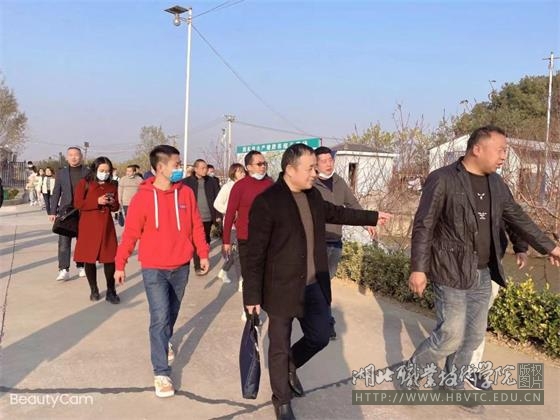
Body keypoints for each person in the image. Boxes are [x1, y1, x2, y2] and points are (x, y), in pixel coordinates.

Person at [406, 125, 560, 412]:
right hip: (450, 270)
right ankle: (412, 371)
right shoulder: (442, 179)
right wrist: (418, 268)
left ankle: (452, 385)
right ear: (477, 149)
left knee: (473, 336)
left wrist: (549, 247)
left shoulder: (497, 184)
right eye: (500, 150)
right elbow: (424, 225)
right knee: (451, 334)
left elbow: (517, 218)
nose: (504, 156)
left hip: (483, 272)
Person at [244, 144, 392, 420]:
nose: (315, 173)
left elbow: (338, 213)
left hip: (313, 284)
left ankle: (289, 365)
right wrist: (251, 296)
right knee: (278, 345)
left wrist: (371, 217)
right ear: (290, 169)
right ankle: (282, 400)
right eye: (310, 168)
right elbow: (254, 254)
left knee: (320, 336)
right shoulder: (267, 202)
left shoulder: (312, 196)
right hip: (281, 288)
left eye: (316, 167)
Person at [114, 145, 209, 398]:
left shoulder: (185, 193)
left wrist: (202, 253)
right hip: (154, 268)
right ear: (160, 167)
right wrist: (120, 264)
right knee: (159, 316)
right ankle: (161, 373)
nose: (180, 169)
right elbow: (130, 234)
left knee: (171, 314)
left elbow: (196, 225)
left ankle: (165, 340)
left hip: (181, 266)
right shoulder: (142, 198)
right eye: (176, 165)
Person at [313, 146, 376, 340]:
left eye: (330, 160)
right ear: (315, 164)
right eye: (324, 161)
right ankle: (326, 323)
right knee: (321, 284)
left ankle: (318, 316)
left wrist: (367, 221)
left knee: (324, 283)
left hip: (335, 242)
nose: (328, 164)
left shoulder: (339, 182)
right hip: (317, 243)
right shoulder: (311, 185)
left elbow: (353, 204)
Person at [73, 157, 121, 303]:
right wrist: (96, 201)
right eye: (102, 170)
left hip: (106, 227)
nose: (105, 173)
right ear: (95, 169)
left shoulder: (112, 185)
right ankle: (93, 289)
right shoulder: (84, 183)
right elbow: (78, 203)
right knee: (89, 259)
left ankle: (111, 290)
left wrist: (112, 203)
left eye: (107, 171)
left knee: (110, 259)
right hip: (88, 226)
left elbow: (116, 207)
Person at [222, 151, 273, 285]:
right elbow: (230, 214)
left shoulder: (270, 185)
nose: (263, 166)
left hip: (268, 238)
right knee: (249, 277)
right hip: (246, 238)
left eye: (264, 163)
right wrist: (226, 241)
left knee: (266, 276)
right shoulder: (240, 186)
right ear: (249, 167)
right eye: (259, 164)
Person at [49, 147, 90, 281]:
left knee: (82, 241)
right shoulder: (61, 173)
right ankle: (63, 269)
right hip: (66, 212)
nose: (73, 157)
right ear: (67, 157)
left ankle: (81, 266)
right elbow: (56, 192)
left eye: (76, 155)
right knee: (64, 242)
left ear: (81, 157)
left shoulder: (88, 172)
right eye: (70, 155)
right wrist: (52, 211)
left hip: (83, 211)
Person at [182, 159, 220, 275]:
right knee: (196, 241)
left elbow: (218, 198)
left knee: (206, 239)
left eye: (206, 168)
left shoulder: (212, 181)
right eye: (202, 168)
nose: (205, 170)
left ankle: (204, 259)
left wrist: (218, 215)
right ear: (195, 169)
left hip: (208, 216)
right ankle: (198, 266)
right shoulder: (186, 182)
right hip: (193, 217)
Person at [213, 163, 246, 283]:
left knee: (236, 252)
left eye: (243, 171)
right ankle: (241, 281)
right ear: (233, 173)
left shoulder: (245, 186)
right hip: (231, 225)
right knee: (237, 253)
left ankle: (223, 271)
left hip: (243, 224)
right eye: (239, 172)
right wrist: (230, 212)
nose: (243, 174)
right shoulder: (228, 187)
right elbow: (217, 204)